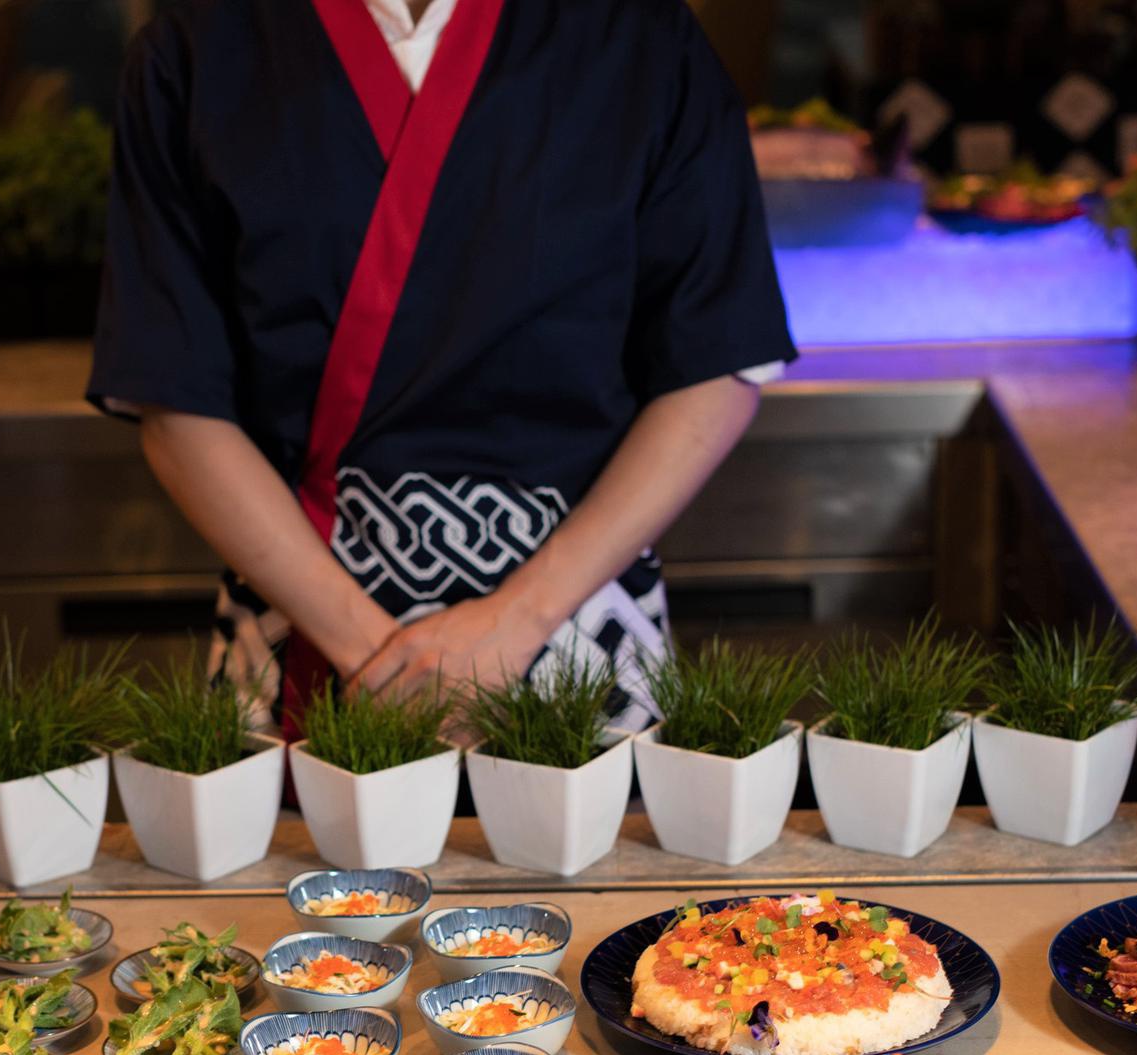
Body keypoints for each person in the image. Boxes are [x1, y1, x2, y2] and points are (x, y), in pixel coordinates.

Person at [89, 0, 795, 732]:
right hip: (301, 637)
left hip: (579, 623)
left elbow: (717, 365)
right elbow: (174, 402)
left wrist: (516, 621)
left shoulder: (643, 37)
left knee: (590, 845)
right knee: (300, 851)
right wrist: (372, 655)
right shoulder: (196, 46)